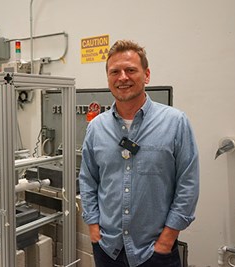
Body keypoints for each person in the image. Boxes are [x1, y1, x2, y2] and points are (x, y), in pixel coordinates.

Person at [78, 40, 200, 267]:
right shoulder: (97, 127)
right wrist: (93, 226)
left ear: (147, 75)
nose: (122, 77)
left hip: (154, 251)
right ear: (108, 79)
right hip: (107, 248)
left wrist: (167, 239)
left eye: (131, 70)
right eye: (115, 71)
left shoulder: (175, 123)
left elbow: (188, 184)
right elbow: (88, 180)